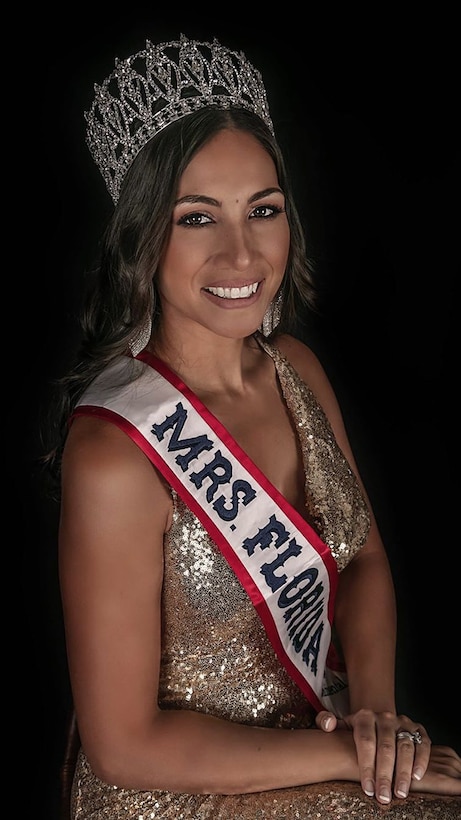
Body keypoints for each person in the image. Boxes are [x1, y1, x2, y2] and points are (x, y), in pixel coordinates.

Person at [44, 34, 461, 819]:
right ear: (143, 240)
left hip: (321, 730)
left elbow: (362, 559)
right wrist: (348, 754)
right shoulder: (112, 452)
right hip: (174, 790)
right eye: (197, 217)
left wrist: (375, 724)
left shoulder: (295, 367)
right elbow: (123, 745)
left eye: (262, 210)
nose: (241, 253)